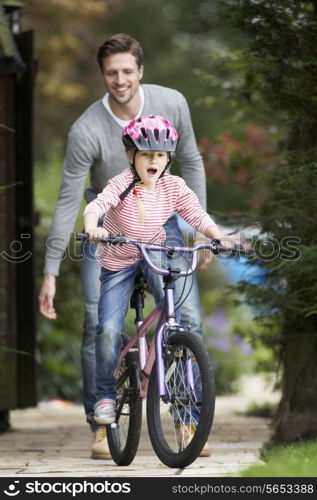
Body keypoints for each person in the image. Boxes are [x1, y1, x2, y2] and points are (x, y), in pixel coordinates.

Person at [39, 33, 211, 460]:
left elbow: (191, 161)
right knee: (99, 320)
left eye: (127, 71)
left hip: (162, 222)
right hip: (108, 229)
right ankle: (102, 422)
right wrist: (51, 270)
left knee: (185, 314)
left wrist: (203, 232)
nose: (120, 80)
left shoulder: (171, 104)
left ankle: (189, 419)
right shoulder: (87, 130)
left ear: (141, 72)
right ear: (103, 75)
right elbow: (68, 199)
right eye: (112, 72)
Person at [84, 115, 230, 457]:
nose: (155, 160)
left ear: (169, 158)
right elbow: (96, 206)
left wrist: (217, 236)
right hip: (119, 261)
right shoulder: (121, 183)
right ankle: (106, 396)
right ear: (130, 155)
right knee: (105, 327)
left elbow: (196, 214)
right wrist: (93, 227)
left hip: (154, 252)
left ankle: (172, 347)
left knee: (175, 309)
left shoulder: (173, 186)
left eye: (162, 155)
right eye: (147, 153)